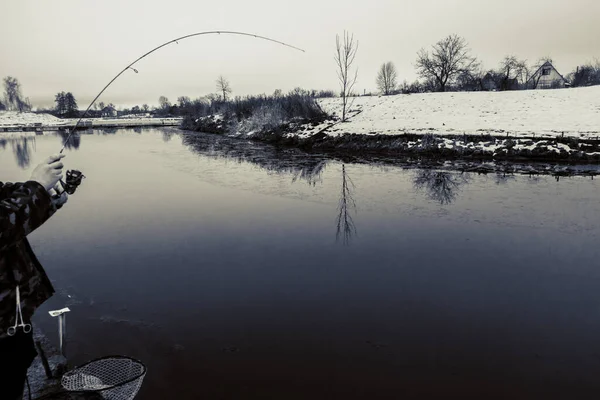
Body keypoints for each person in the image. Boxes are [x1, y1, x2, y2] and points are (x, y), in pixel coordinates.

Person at [0, 153, 69, 400]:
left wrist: (45, 196)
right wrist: (37, 187)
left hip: (11, 314)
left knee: (18, 360)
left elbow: (4, 196)